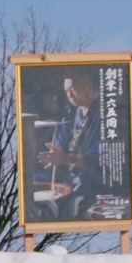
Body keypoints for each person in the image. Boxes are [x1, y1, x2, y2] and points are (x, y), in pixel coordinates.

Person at [34, 71, 102, 221]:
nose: (69, 95)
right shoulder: (72, 113)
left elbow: (99, 157)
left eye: (73, 89)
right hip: (71, 181)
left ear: (88, 87)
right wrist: (58, 152)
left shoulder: (104, 114)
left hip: (96, 185)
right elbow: (62, 141)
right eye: (66, 90)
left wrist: (65, 158)